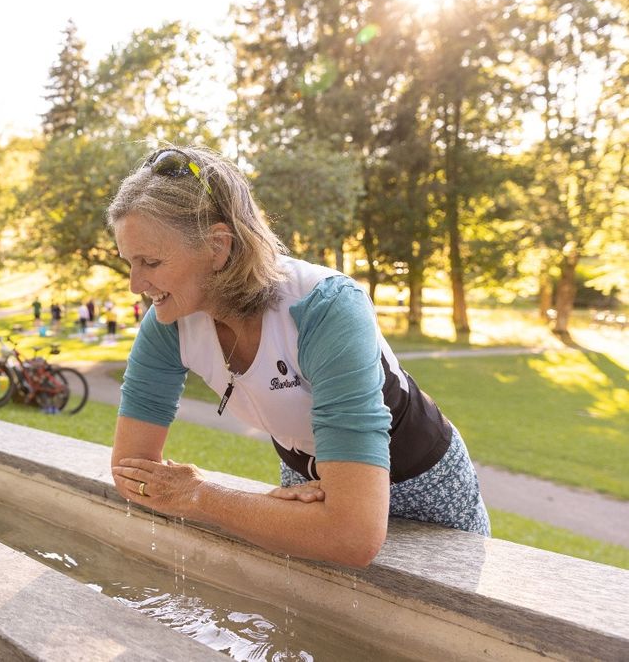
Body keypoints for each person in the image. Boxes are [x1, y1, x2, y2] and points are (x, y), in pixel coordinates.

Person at [108, 146, 489, 569]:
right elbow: (130, 471)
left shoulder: (325, 307)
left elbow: (352, 536)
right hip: (309, 486)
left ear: (217, 246)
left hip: (422, 484)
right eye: (130, 263)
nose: (135, 284)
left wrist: (199, 496)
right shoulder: (169, 321)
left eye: (151, 262)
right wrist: (287, 514)